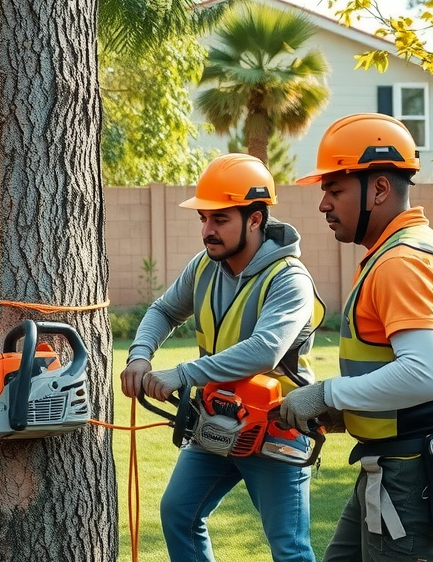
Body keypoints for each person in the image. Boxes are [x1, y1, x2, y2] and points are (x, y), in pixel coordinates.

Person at [282, 112, 433, 562]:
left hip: (411, 471)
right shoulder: (395, 252)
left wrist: (328, 395)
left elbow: (423, 376)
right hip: (398, 463)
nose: (323, 204)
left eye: (334, 190)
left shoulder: (402, 262)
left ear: (378, 188)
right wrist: (351, 410)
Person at [120, 153, 325, 562]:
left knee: (289, 548)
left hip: (275, 429)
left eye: (220, 219)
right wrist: (140, 355)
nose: (207, 231)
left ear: (254, 218)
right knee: (178, 512)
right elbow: (163, 310)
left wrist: (183, 373)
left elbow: (266, 349)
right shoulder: (204, 267)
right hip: (216, 420)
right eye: (203, 219)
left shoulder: (290, 279)